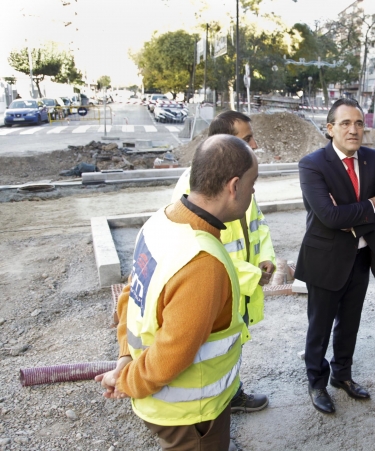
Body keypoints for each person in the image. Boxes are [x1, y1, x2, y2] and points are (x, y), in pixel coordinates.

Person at [96, 135, 258, 451]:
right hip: (191, 416)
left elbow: (131, 296)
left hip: (166, 406)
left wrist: (125, 357)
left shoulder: (162, 221)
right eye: (253, 185)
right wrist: (127, 380)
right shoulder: (202, 262)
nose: (253, 193)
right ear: (234, 186)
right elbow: (172, 353)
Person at [296, 98, 375, 414]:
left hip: (361, 258)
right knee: (320, 326)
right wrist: (370, 206)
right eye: (345, 123)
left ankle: (342, 375)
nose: (353, 130)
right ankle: (317, 382)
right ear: (330, 129)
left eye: (358, 124)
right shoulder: (312, 164)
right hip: (325, 260)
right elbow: (328, 216)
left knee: (349, 324)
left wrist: (352, 219)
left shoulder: (373, 159)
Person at [170, 110, 275, 413]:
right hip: (217, 287)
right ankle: (208, 413)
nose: (253, 145)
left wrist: (265, 258)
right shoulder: (192, 189)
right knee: (209, 352)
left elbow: (258, 225)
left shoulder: (239, 180)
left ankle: (229, 397)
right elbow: (198, 252)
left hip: (237, 287)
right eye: (246, 139)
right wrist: (250, 275)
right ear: (221, 144)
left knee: (230, 346)